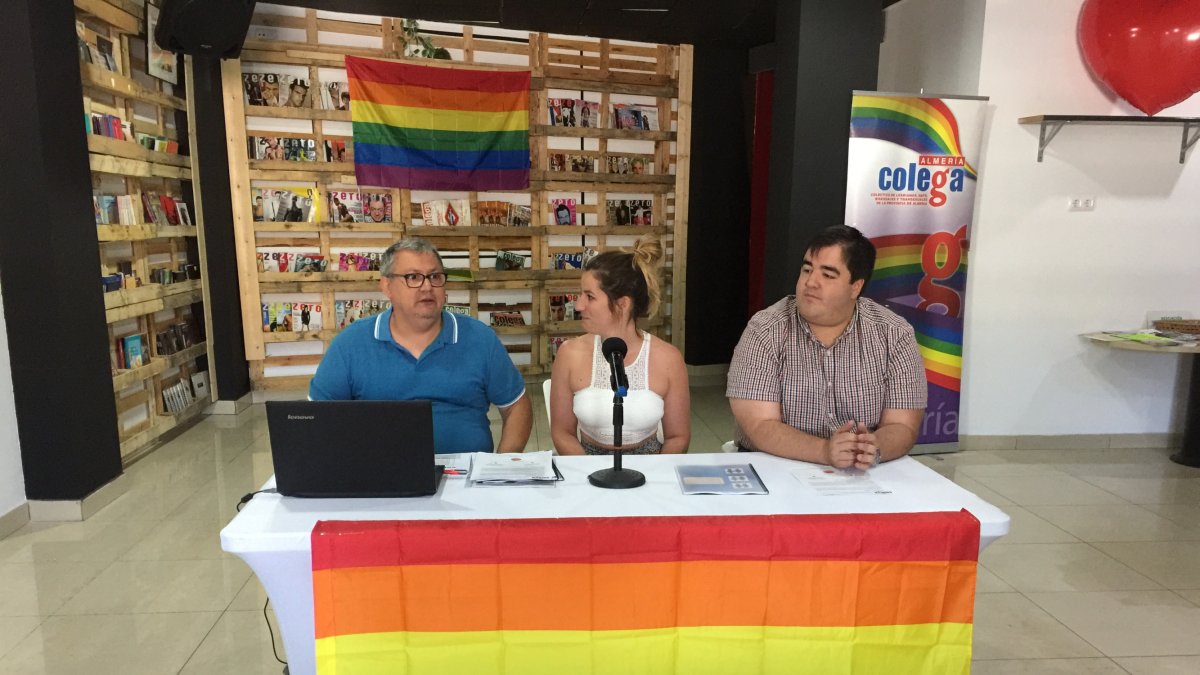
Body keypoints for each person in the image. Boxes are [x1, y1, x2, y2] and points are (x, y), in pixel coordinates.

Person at [727, 225, 926, 470]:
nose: (811, 282)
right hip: (774, 465)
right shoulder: (765, 330)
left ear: (856, 287)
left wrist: (871, 448)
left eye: (828, 275)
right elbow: (759, 425)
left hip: (863, 472)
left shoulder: (894, 334)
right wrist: (824, 451)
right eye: (807, 269)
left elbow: (903, 426)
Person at [310, 238, 532, 453]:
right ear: (386, 286)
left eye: (435, 276)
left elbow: (516, 406)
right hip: (379, 479)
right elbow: (316, 420)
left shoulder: (480, 338)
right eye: (413, 277)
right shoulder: (350, 344)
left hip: (465, 480)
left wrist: (503, 465)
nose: (427, 287)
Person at [550, 237, 689, 455]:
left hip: (651, 469)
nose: (578, 305)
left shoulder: (668, 358)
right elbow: (562, 432)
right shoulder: (569, 353)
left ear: (622, 304)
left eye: (590, 296)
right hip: (586, 467)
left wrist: (653, 476)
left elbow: (678, 437)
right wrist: (591, 475)